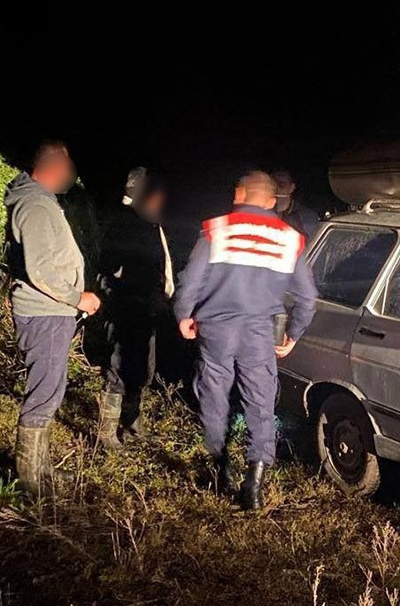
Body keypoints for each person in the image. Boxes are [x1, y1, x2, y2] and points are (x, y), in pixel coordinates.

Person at [174, 170, 317, 509]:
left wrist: (183, 315)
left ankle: (219, 470)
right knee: (260, 403)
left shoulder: (217, 229)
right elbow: (308, 298)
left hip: (215, 330)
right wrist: (293, 334)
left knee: (214, 396)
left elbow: (190, 281)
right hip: (260, 333)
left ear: (240, 193)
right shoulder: (290, 239)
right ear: (270, 200)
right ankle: (254, 484)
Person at [4, 141, 101, 494]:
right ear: (54, 164)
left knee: (50, 390)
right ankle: (30, 482)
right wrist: (78, 297)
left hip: (51, 312)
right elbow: (41, 270)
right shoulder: (35, 205)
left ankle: (41, 472)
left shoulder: (40, 202)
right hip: (44, 313)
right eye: (68, 163)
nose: (72, 172)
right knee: (43, 392)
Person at [95, 167, 175, 447]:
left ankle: (132, 424)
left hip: (145, 309)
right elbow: (108, 269)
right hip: (128, 309)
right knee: (119, 368)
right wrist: (131, 295)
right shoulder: (126, 222)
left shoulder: (147, 222)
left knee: (141, 369)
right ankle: (107, 433)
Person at [273, 170, 321, 240]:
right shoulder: (263, 211)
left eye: (281, 185)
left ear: (292, 188)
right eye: (272, 185)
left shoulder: (306, 217)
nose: (276, 189)